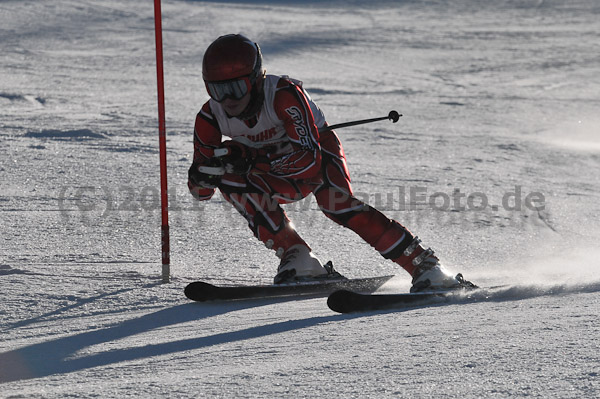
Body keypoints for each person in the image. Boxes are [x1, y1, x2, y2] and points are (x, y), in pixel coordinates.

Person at [188, 34, 474, 292]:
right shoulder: (210, 117)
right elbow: (202, 193)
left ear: (255, 79)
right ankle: (298, 256)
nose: (227, 100)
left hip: (317, 152)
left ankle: (425, 264)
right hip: (272, 170)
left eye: (236, 88)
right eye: (217, 90)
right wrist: (202, 177)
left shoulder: (284, 95)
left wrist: (251, 160)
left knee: (335, 203)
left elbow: (309, 164)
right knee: (229, 177)